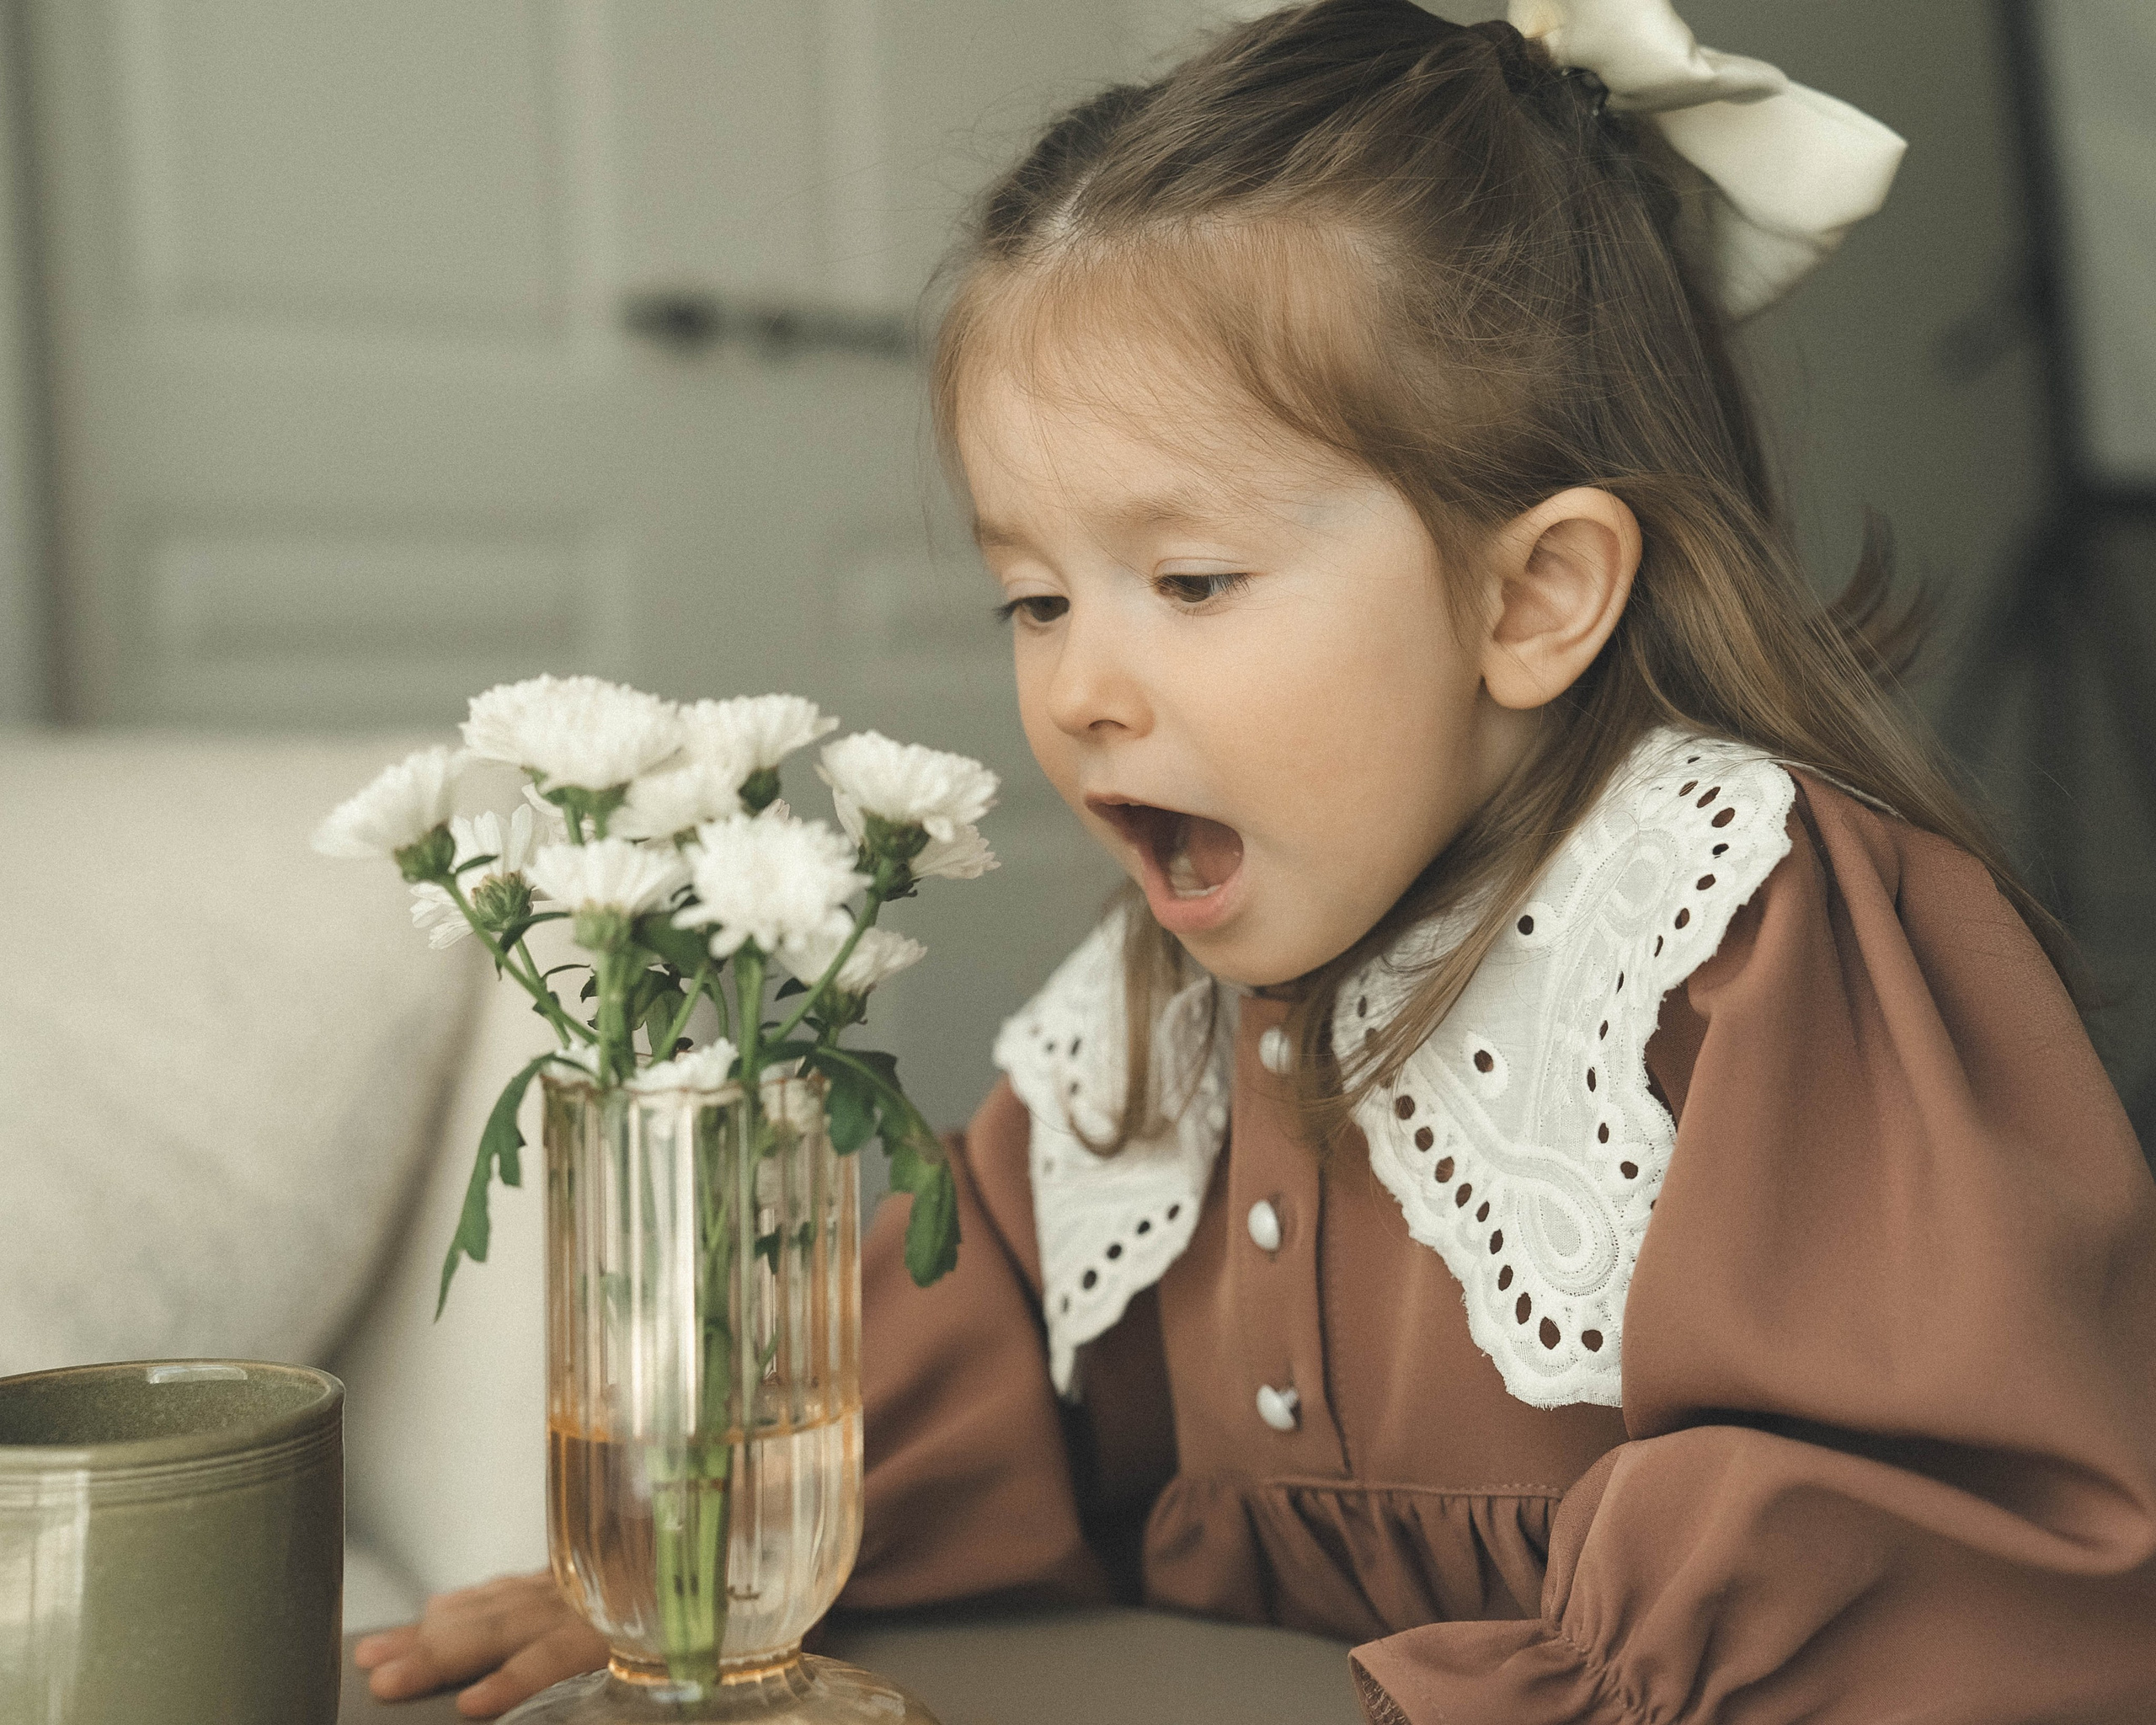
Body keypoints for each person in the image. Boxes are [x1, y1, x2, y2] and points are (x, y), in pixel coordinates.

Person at [358, 1, 2156, 1717]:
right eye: (1033, 598)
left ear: (1527, 598)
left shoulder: (1728, 931)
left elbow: (1951, 1550)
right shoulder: (1138, 1030)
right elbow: (957, 1392)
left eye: (1189, 583)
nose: (1077, 686)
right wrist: (728, 1575)